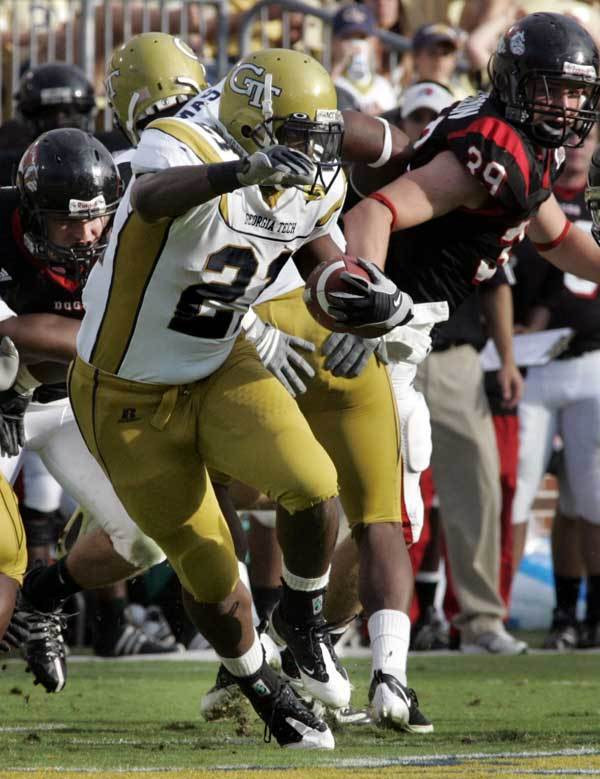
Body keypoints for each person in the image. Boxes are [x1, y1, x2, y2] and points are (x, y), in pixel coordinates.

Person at [68, 45, 416, 748]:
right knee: (212, 573)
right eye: (295, 139)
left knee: (315, 485)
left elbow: (325, 266)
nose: (311, 155)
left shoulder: (308, 167)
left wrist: (370, 300)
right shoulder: (178, 143)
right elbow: (150, 196)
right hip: (123, 393)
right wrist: (239, 173)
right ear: (252, 129)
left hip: (219, 362)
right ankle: (259, 681)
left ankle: (303, 615)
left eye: (319, 139)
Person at [339, 11, 600, 649]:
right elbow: (376, 212)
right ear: (516, 83)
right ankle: (311, 626)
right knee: (385, 508)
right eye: (552, 88)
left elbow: (560, 241)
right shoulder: (494, 151)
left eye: (576, 91)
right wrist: (364, 299)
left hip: (414, 329)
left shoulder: (525, 145)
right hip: (382, 329)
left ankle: (310, 626)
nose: (566, 105)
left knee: (387, 508)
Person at [510, 128, 600, 650]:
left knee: (588, 500)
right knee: (519, 494)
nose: (580, 143)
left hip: (590, 359)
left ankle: (589, 614)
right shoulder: (534, 194)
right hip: (533, 363)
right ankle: (509, 616)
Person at [331, 4, 397, 115]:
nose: (356, 45)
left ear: (374, 42)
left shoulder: (384, 87)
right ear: (334, 42)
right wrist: (337, 68)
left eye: (362, 37)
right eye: (347, 37)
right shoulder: (327, 82)